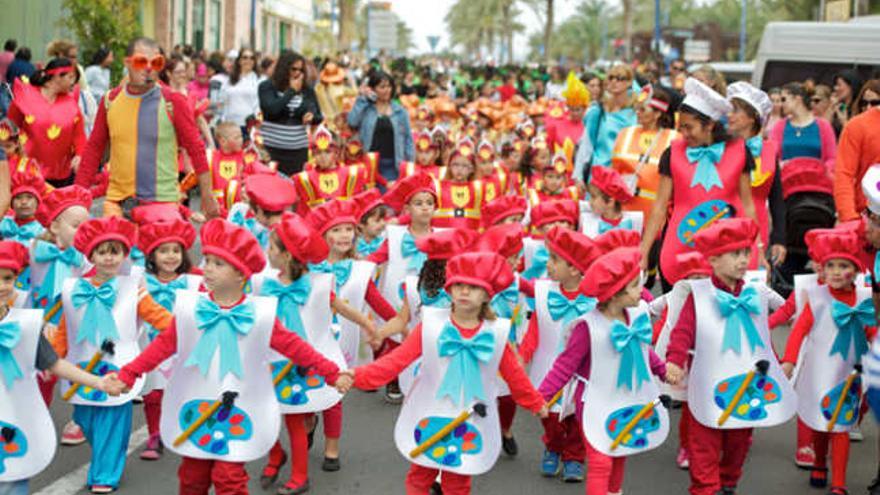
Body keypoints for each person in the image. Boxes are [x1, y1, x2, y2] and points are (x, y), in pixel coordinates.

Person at [113, 218, 342, 495]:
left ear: (241, 275)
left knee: (229, 477)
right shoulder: (190, 309)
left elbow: (295, 346)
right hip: (195, 400)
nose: (207, 268)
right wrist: (130, 372)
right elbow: (162, 345)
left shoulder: (259, 314)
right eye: (207, 260)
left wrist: (331, 372)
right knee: (192, 476)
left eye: (218, 264)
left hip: (240, 405)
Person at [336, 251, 550, 495]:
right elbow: (396, 361)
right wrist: (357, 376)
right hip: (429, 408)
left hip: (470, 414)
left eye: (473, 287)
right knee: (420, 473)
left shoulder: (497, 332)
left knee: (458, 480)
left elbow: (515, 376)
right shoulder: (431, 325)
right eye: (458, 285)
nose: (464, 292)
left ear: (487, 295)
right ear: (449, 289)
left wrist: (535, 403)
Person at [665, 218, 796, 495]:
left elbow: (761, 338)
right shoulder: (699, 294)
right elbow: (682, 331)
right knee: (704, 442)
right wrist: (674, 360)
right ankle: (705, 487)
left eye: (746, 253)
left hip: (747, 383)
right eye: (735, 254)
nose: (743, 260)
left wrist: (777, 365)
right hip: (707, 382)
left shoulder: (755, 293)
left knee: (740, 440)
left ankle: (728, 482)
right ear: (713, 260)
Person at [56, 217, 174, 493]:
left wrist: (185, 330)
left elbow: (160, 318)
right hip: (80, 368)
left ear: (124, 255)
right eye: (103, 251)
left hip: (121, 368)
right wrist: (52, 359)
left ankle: (105, 474)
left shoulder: (134, 289)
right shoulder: (73, 288)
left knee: (112, 420)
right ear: (91, 255)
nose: (109, 258)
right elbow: (65, 328)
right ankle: (107, 456)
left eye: (115, 252)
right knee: (85, 418)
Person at [256, 212, 371, 495]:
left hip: (301, 364)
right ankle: (275, 455)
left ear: (287, 256)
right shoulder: (262, 282)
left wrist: (369, 325)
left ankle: (299, 475)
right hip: (267, 361)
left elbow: (342, 308)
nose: (266, 252)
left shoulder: (319, 285)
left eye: (271, 248)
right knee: (264, 414)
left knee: (295, 419)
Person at [539, 246, 669, 495]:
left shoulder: (633, 316)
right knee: (600, 460)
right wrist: (542, 396)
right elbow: (565, 365)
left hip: (626, 398)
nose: (641, 291)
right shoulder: (587, 327)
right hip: (594, 403)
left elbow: (642, 350)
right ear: (614, 293)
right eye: (633, 286)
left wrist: (662, 370)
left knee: (620, 452)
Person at [0, 240, 125, 495]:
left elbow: (54, 363)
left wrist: (99, 383)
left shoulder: (24, 325)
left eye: (7, 278)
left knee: (14, 476)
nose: (2, 286)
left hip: (14, 416)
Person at [75, 37, 220, 219]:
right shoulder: (110, 101)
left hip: (161, 204)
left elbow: (196, 148)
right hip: (117, 204)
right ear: (127, 63)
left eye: (157, 62)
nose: (149, 68)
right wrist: (78, 196)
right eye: (141, 61)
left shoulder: (173, 101)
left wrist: (207, 194)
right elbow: (93, 150)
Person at [640, 77, 761, 290]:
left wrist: (756, 248)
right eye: (680, 127)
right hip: (680, 246)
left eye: (689, 127)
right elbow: (659, 207)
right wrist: (643, 251)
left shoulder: (740, 151)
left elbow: (748, 205)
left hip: (728, 249)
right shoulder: (673, 153)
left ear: (710, 125)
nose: (683, 134)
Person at [781, 228, 873, 495]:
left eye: (843, 265)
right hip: (819, 370)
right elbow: (799, 330)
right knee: (821, 422)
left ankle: (839, 483)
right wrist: (788, 360)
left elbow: (872, 332)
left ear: (855, 271)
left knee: (842, 424)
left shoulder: (865, 301)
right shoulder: (818, 298)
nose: (834, 271)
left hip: (850, 372)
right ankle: (820, 462)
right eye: (830, 265)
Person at [519, 226, 601, 482]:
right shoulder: (544, 292)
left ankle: (575, 455)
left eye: (555, 259)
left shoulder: (596, 299)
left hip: (583, 372)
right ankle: (553, 446)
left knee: (577, 416)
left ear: (575, 269)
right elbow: (536, 327)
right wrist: (523, 355)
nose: (548, 264)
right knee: (549, 414)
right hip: (548, 368)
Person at [133, 210, 201, 461]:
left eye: (175, 250)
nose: (170, 256)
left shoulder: (194, 281)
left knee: (186, 389)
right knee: (153, 393)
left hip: (184, 347)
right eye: (163, 251)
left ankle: (189, 428)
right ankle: (154, 435)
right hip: (151, 346)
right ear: (152, 255)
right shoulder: (140, 280)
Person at [726, 82, 786, 266]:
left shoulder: (769, 150)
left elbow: (776, 198)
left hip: (758, 229)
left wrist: (779, 239)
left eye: (736, 110)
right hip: (724, 224)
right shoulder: (721, 149)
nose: (730, 115)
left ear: (752, 117)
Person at [7, 57, 85, 188]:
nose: (74, 82)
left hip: (61, 175)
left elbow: (79, 135)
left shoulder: (71, 102)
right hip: (27, 172)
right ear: (58, 77)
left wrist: (79, 155)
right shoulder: (25, 97)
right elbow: (9, 130)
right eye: (70, 77)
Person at [610, 85, 679, 221]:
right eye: (637, 109)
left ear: (657, 114)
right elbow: (613, 172)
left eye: (643, 109)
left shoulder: (674, 139)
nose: (638, 113)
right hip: (623, 211)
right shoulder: (625, 133)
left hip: (655, 215)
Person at [258, 50, 323, 176]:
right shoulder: (267, 87)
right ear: (284, 68)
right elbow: (271, 110)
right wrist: (292, 91)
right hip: (272, 150)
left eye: (301, 70)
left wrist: (311, 117)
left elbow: (318, 115)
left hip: (297, 151)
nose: (298, 73)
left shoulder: (307, 91)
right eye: (294, 69)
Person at [348, 70, 415, 183]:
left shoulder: (400, 112)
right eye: (382, 87)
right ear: (373, 89)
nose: (386, 90)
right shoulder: (366, 109)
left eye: (389, 86)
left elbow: (408, 139)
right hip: (369, 164)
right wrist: (363, 98)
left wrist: (410, 164)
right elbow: (352, 121)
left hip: (394, 165)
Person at [577, 64, 638, 180]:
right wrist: (579, 176)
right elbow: (586, 145)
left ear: (629, 82)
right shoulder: (597, 111)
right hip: (597, 175)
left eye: (620, 78)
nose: (614, 82)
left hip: (623, 176)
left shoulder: (636, 114)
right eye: (611, 78)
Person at [834, 78, 880, 222]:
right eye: (864, 103)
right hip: (868, 218)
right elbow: (844, 174)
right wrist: (848, 217)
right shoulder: (857, 126)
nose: (868, 106)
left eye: (874, 102)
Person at [545, 72, 589, 175]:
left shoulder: (589, 126)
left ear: (584, 108)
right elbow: (550, 149)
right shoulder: (556, 125)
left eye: (578, 109)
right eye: (572, 109)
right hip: (561, 174)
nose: (574, 113)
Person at [219, 49, 261, 138]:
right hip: (230, 125)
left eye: (251, 58)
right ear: (239, 60)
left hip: (249, 126)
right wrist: (222, 119)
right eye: (245, 57)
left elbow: (259, 105)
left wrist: (257, 125)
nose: (248, 61)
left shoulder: (259, 80)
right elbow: (222, 101)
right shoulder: (229, 80)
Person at [831, 69, 863, 136]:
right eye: (835, 85)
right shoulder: (838, 106)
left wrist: (843, 121)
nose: (835, 88)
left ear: (851, 86)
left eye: (839, 85)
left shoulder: (861, 109)